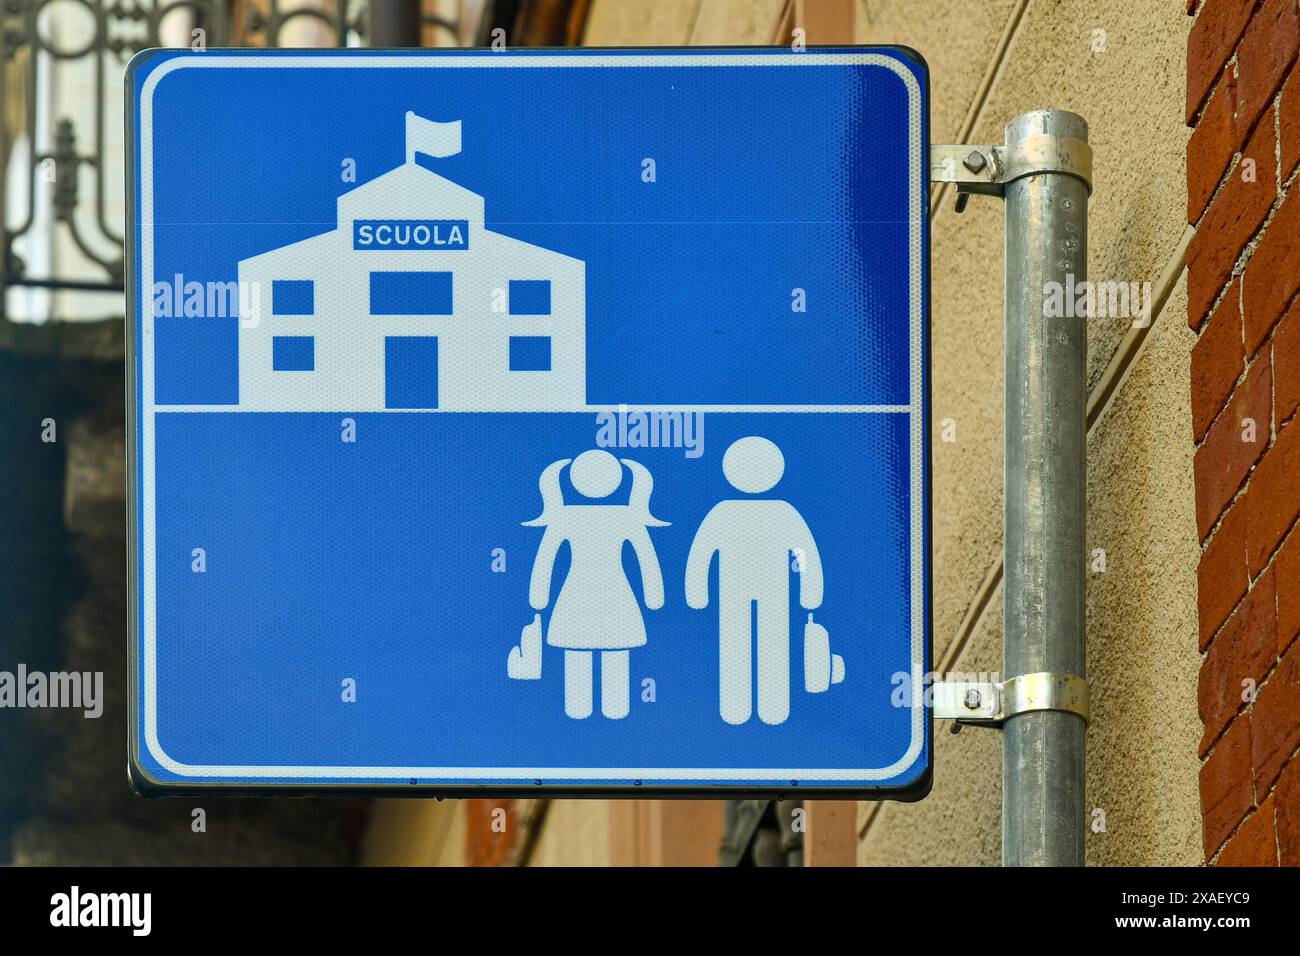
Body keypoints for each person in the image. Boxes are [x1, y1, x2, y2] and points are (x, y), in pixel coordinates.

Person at [685, 436, 823, 725]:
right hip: (740, 591)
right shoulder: (733, 512)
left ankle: (768, 708)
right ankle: (741, 708)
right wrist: (809, 593)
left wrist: (697, 593)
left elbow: (804, 553)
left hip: (767, 591)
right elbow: (702, 552)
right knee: (738, 645)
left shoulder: (771, 512)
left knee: (769, 645)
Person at [523, 449, 667, 719]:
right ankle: (608, 708)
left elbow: (546, 559)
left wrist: (539, 597)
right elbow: (646, 560)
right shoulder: (625, 516)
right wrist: (653, 597)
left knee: (586, 652)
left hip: (582, 596)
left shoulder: (567, 516)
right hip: (610, 596)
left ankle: (586, 708)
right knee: (604, 652)